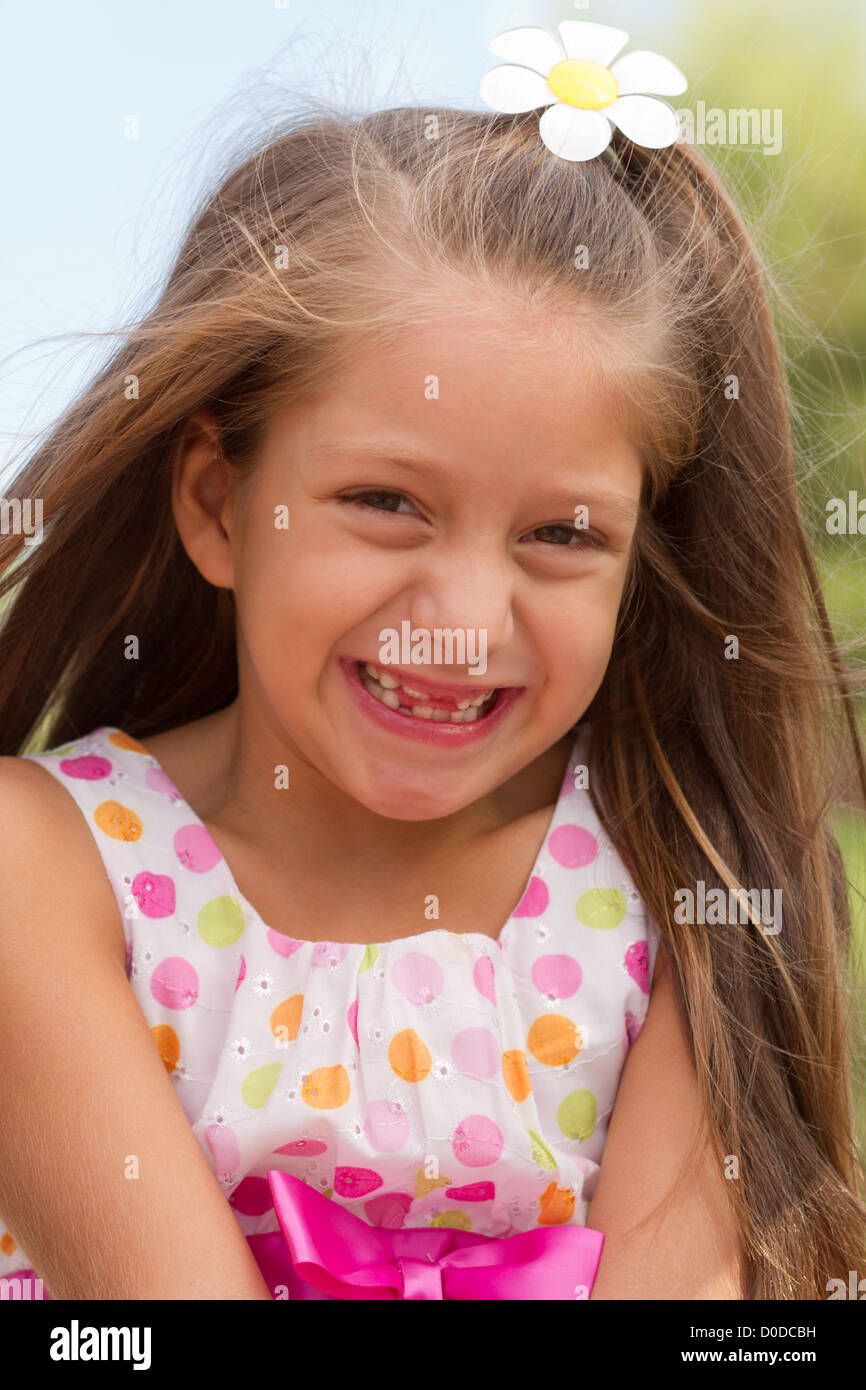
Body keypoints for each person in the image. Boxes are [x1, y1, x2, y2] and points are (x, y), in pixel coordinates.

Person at [0, 18, 863, 1301]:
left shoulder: (684, 893)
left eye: (561, 533)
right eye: (385, 502)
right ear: (219, 505)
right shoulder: (44, 867)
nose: (463, 613)